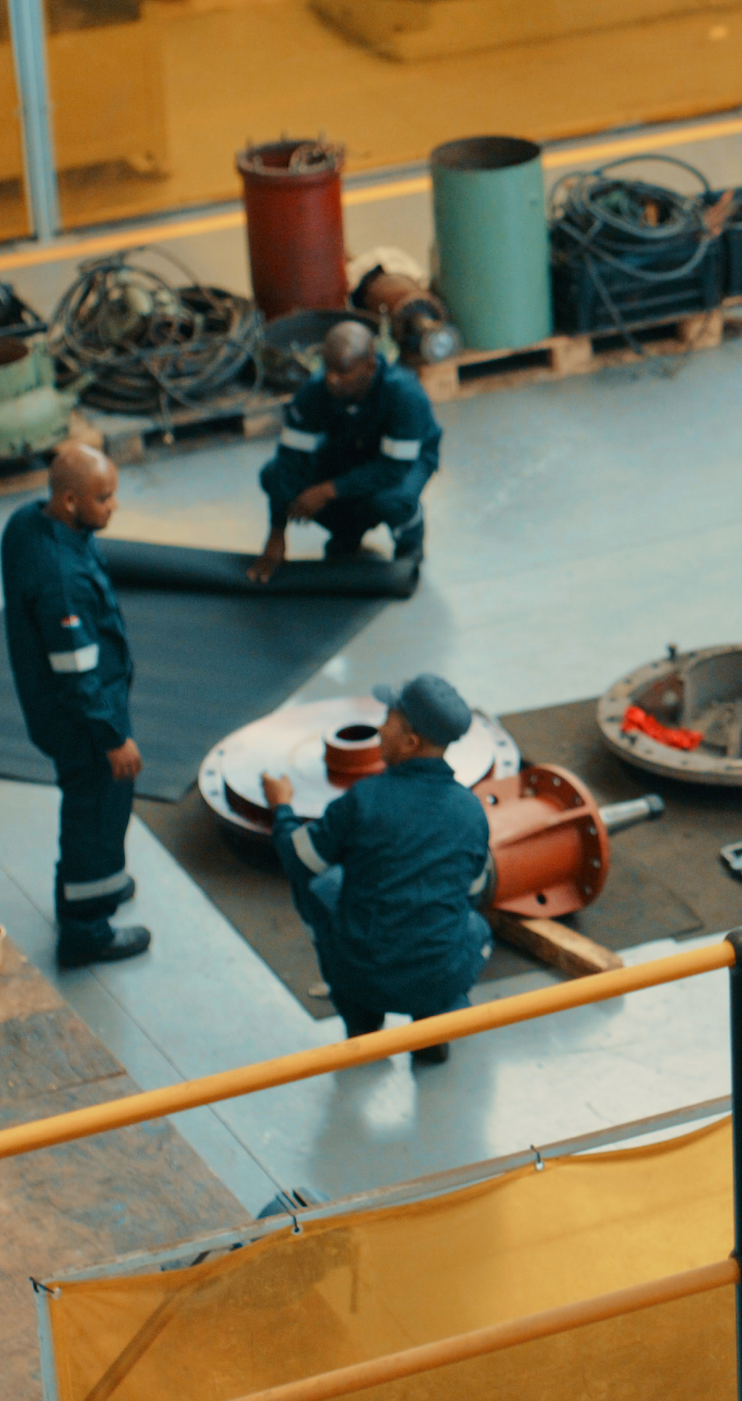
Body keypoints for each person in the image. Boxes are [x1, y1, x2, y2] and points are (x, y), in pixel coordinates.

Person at [263, 675, 493, 1065]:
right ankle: (433, 1028)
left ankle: (362, 1024)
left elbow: (300, 858)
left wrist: (281, 807)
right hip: (438, 973)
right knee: (473, 927)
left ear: (410, 742)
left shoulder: (364, 800)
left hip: (365, 973)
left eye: (388, 718)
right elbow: (475, 889)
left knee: (324, 887)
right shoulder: (470, 810)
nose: (379, 728)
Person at [0, 444, 152, 966]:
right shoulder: (61, 580)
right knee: (97, 814)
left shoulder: (27, 524)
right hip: (84, 720)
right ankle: (86, 929)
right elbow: (78, 674)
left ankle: (102, 886)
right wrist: (112, 736)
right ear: (69, 501)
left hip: (64, 706)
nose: (113, 508)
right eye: (103, 498)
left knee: (98, 808)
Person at [249, 322, 440, 583]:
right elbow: (289, 460)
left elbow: (392, 469)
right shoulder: (315, 392)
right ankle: (348, 531)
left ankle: (410, 537)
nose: (332, 379)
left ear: (370, 366)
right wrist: (276, 533)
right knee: (273, 475)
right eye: (327, 368)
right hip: (352, 450)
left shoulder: (404, 394)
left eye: (343, 371)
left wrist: (327, 490)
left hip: (407, 460)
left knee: (391, 499)